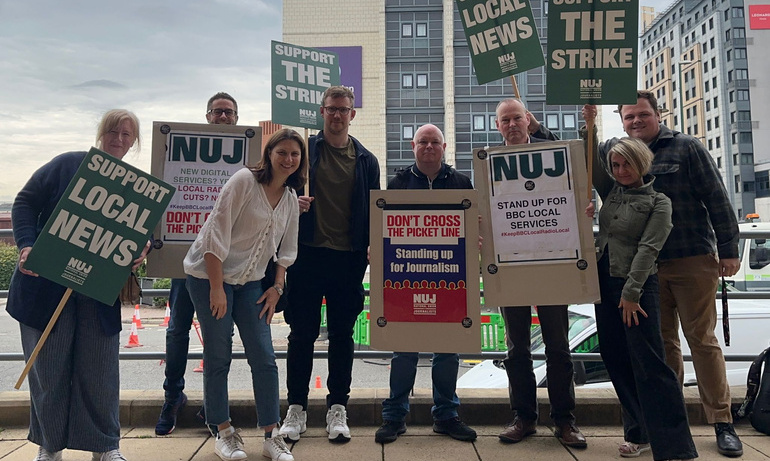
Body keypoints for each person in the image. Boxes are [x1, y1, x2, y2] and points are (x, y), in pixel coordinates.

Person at [584, 91, 743, 457]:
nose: (636, 122)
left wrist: (730, 250)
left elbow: (717, 198)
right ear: (621, 121)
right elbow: (587, 158)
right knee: (662, 348)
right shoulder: (616, 155)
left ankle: (722, 422)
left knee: (701, 340)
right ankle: (670, 426)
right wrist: (586, 122)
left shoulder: (687, 147)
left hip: (688, 258)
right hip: (641, 275)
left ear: (658, 114)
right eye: (628, 117)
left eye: (642, 115)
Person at [9, 109, 148, 461]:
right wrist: (27, 245)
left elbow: (141, 232)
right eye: (113, 131)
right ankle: (50, 445)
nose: (118, 138)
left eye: (126, 134)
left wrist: (139, 248)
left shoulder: (136, 185)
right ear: (101, 133)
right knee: (49, 372)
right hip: (45, 287)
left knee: (100, 373)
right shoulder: (67, 164)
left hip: (98, 293)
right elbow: (25, 202)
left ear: (134, 142)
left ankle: (104, 447)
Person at [183, 128, 305, 461]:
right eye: (282, 152)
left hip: (251, 282)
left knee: (264, 356)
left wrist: (277, 288)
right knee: (219, 353)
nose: (288, 159)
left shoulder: (291, 198)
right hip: (210, 275)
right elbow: (214, 236)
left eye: (295, 154)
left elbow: (287, 251)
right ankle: (223, 432)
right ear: (269, 154)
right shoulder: (243, 182)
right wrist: (217, 288)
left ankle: (271, 434)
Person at [582, 134, 697, 460]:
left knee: (651, 366)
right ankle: (639, 433)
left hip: (636, 288)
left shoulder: (660, 202)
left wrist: (631, 294)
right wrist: (587, 126)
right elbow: (593, 166)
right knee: (615, 359)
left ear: (641, 163)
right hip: (605, 285)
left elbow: (649, 250)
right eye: (616, 165)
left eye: (626, 164)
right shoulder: (612, 193)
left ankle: (676, 447)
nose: (620, 170)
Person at [278, 86, 380, 444]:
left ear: (352, 114)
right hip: (306, 255)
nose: (337, 115)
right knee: (301, 335)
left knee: (341, 335)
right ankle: (296, 407)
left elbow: (374, 212)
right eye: (331, 109)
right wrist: (294, 200)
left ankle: (338, 406)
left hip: (348, 258)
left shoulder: (367, 160)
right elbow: (275, 189)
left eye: (343, 110)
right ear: (321, 112)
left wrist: (373, 248)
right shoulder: (303, 152)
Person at [492, 98, 587, 448]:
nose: (512, 124)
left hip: (552, 263)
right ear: (497, 125)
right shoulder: (489, 163)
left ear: (527, 121)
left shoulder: (552, 155)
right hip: (510, 266)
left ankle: (565, 421)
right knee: (517, 349)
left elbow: (574, 188)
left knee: (559, 348)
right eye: (506, 119)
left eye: (518, 117)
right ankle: (524, 418)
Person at [374, 124, 476, 444]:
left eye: (434, 142)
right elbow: (383, 227)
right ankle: (394, 417)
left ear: (444, 146)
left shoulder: (461, 182)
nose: (429, 147)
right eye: (423, 142)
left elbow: (473, 224)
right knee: (404, 350)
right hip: (406, 277)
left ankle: (446, 415)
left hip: (450, 279)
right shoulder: (398, 182)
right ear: (412, 146)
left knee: (447, 351)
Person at [156, 92, 239, 436]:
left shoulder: (245, 158)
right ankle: (173, 396)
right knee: (177, 332)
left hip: (224, 264)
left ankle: (213, 402)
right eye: (218, 112)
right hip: (184, 261)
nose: (223, 117)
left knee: (219, 336)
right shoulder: (181, 149)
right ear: (207, 116)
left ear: (237, 118)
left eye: (229, 113)